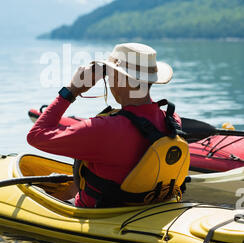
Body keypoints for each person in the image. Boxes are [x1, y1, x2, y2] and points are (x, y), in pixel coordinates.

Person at [27, 43, 188, 208]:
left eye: (110, 74)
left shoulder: (103, 129)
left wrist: (72, 90)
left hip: (99, 213)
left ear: (119, 78)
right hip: (148, 208)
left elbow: (36, 135)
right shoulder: (173, 120)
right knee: (75, 185)